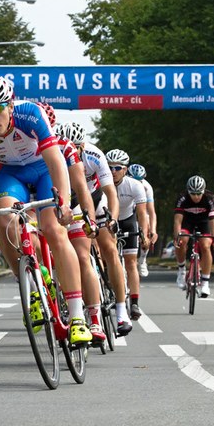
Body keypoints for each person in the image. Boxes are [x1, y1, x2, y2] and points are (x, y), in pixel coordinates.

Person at [0, 75, 92, 346]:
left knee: (54, 230)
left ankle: (78, 318)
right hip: (11, 175)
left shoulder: (30, 114)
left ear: (10, 105)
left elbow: (56, 161)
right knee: (4, 220)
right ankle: (31, 288)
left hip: (44, 170)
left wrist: (64, 203)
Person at [59, 122, 134, 334]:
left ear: (82, 145)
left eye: (75, 148)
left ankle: (121, 311)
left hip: (95, 198)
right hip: (70, 201)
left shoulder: (94, 155)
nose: (70, 153)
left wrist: (113, 219)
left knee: (109, 246)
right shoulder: (56, 153)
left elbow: (111, 193)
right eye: (67, 148)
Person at [52, 122, 104, 341]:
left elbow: (84, 192)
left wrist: (90, 221)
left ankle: (95, 319)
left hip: (79, 203)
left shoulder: (93, 156)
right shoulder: (47, 151)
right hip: (53, 203)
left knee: (83, 257)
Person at [105, 149, 149, 320]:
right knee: (107, 258)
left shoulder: (135, 185)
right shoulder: (101, 185)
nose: (113, 172)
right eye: (109, 168)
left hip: (128, 220)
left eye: (117, 168)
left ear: (125, 169)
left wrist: (143, 234)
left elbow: (142, 213)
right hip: (108, 220)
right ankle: (109, 290)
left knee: (131, 262)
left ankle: (135, 302)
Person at [173, 175, 214, 298]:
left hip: (204, 222)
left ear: (203, 191)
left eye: (199, 193)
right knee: (182, 241)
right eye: (193, 194)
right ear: (188, 192)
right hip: (187, 221)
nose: (196, 196)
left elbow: (213, 221)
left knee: (205, 245)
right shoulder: (182, 198)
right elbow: (178, 220)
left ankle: (205, 283)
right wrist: (176, 237)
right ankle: (182, 271)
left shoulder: (210, 198)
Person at [127, 163, 158, 277]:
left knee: (147, 228)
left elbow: (151, 211)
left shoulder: (147, 187)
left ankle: (143, 259)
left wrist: (153, 230)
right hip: (126, 209)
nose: (136, 183)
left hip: (141, 211)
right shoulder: (123, 183)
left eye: (139, 180)